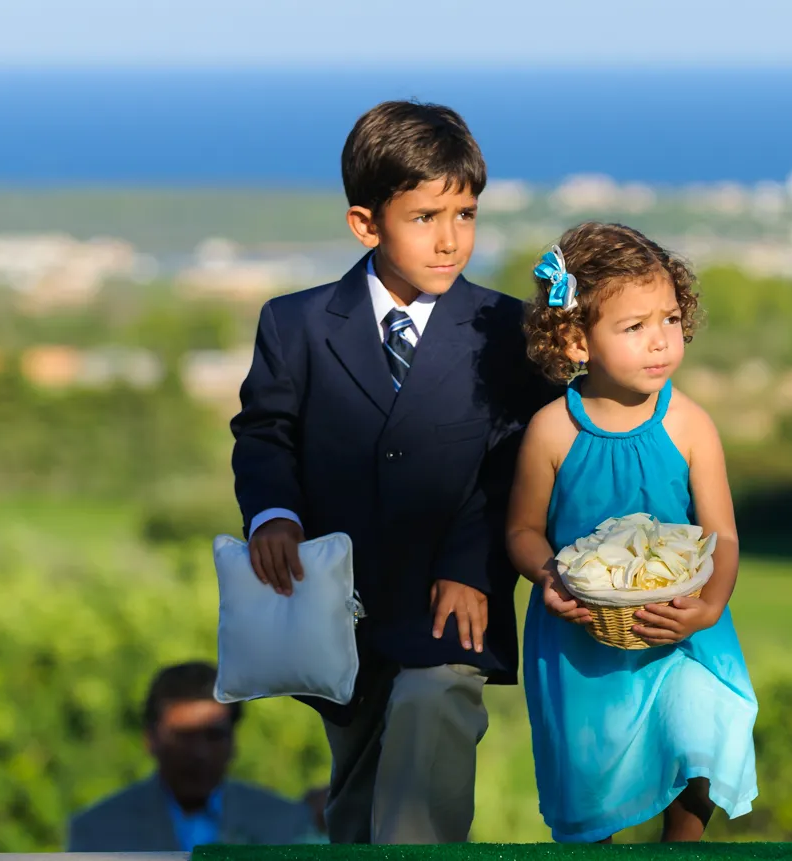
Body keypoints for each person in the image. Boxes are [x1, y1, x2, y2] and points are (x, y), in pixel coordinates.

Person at [229, 100, 557, 844]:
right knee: (356, 805)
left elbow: (514, 463)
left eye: (466, 214)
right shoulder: (296, 323)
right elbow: (264, 433)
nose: (451, 240)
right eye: (425, 217)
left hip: (455, 602)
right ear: (365, 223)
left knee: (429, 714)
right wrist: (272, 515)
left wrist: (471, 564)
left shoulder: (507, 332)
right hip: (337, 611)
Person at [505, 222, 759, 844]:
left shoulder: (691, 425)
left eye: (670, 320)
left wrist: (707, 610)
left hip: (684, 627)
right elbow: (521, 530)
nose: (660, 343)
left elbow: (721, 536)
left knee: (702, 719)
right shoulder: (551, 432)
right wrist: (549, 574)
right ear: (575, 339)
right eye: (634, 327)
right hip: (582, 638)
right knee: (590, 777)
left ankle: (684, 844)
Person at [66, 662, 324, 851]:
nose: (199, 753)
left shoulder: (284, 822)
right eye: (184, 736)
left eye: (213, 735)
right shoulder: (98, 830)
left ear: (234, 740)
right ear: (151, 739)